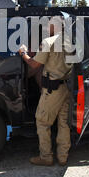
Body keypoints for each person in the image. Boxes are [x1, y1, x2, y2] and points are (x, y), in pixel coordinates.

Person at [18, 17, 72, 166]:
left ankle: (46, 157)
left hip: (52, 90)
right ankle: (63, 157)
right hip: (67, 88)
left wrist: (23, 53)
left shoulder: (48, 42)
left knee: (42, 122)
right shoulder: (71, 41)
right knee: (63, 123)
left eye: (49, 23)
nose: (47, 26)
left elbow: (34, 64)